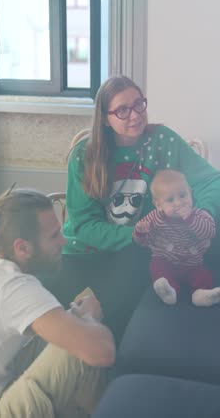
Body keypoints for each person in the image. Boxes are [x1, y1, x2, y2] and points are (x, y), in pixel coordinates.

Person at [47, 75, 220, 342]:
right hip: (83, 251)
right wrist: (140, 234)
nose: (135, 115)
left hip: (133, 253)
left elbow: (211, 180)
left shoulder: (164, 141)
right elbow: (83, 225)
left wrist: (204, 213)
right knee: (44, 298)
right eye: (123, 110)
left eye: (139, 104)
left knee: (128, 291)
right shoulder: (84, 154)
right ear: (105, 118)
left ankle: (105, 356)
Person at [0, 188, 115, 418]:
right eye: (53, 236)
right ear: (22, 247)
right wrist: (90, 316)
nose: (64, 240)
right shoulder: (14, 289)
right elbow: (103, 352)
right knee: (82, 345)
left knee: (71, 329)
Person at [133, 169, 220, 306]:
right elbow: (144, 242)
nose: (178, 203)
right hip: (166, 260)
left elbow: (209, 233)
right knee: (157, 267)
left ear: (190, 193)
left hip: (192, 263)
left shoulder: (198, 214)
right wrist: (141, 232)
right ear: (158, 205)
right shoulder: (155, 218)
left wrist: (190, 218)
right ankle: (168, 291)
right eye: (170, 200)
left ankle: (201, 294)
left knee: (203, 275)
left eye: (182, 195)